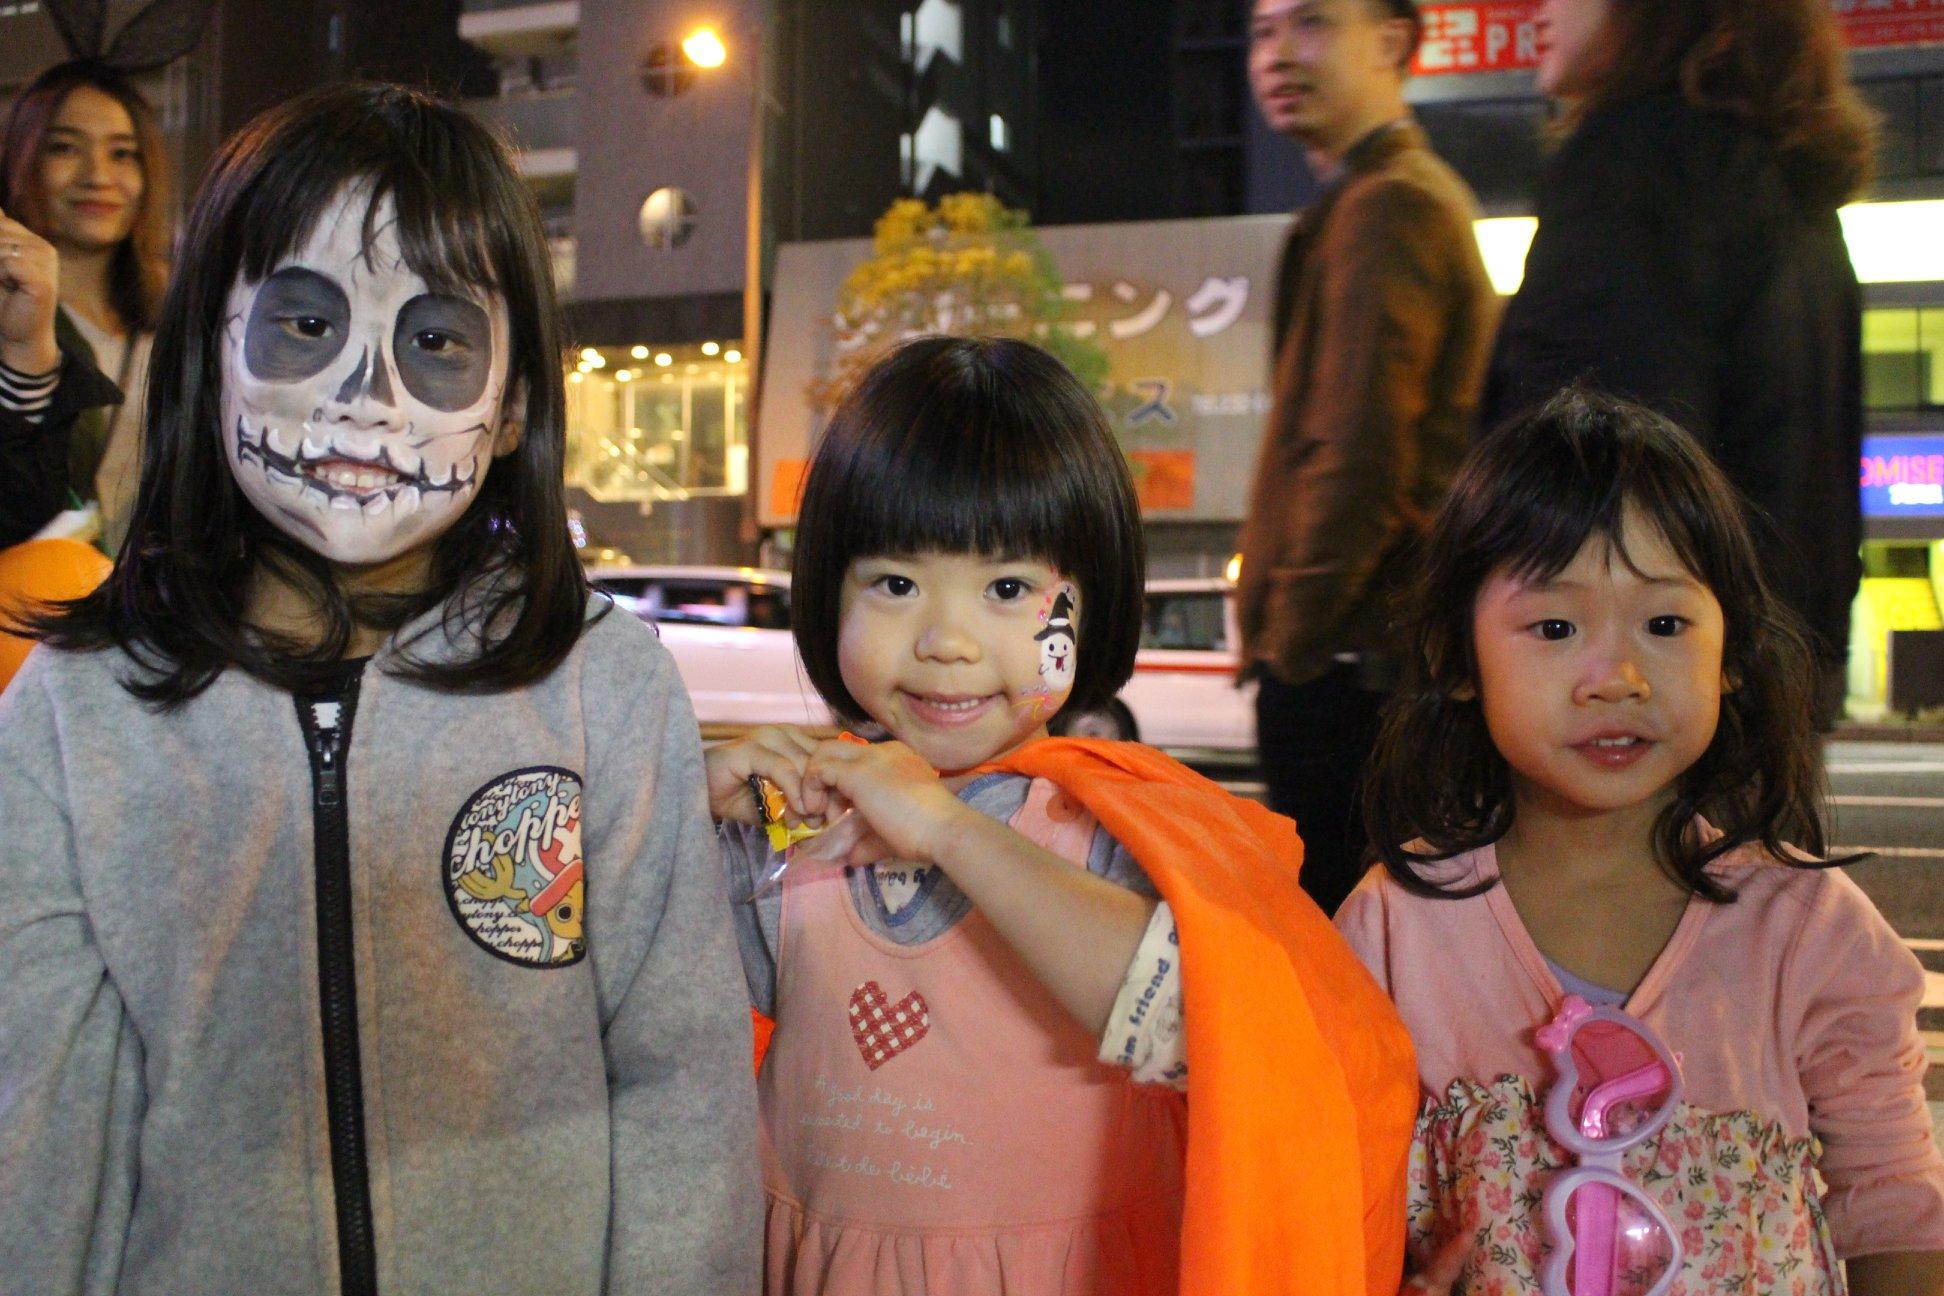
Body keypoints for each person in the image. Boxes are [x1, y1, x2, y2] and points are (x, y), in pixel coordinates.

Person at [0, 84, 759, 1294]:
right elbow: (41, 1113)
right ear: (209, 353)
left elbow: (681, 1081)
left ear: (512, 407)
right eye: (305, 325)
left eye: (436, 342)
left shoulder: (600, 686)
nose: (364, 396)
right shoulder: (78, 707)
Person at [706, 336, 1418, 1296]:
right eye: (895, 584)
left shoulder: (1118, 826)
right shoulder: (790, 825)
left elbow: (1199, 1030)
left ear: (1096, 603)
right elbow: (602, 998)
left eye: (1008, 590)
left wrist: (948, 830)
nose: (948, 640)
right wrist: (676, 810)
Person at [1340, 388, 1944, 1294]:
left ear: (1730, 652)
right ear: (1458, 659)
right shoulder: (1395, 927)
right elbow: (1334, 1195)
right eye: (1554, 627)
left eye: (1665, 625)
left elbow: (1895, 1203)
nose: (1617, 678)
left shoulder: (1811, 929)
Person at [1483, 0, 1875, 727]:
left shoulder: (1635, 165)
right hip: (1760, 684)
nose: (1543, 6)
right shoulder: (1793, 189)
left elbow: (1581, 460)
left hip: (1628, 701)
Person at [1238, 0, 1499, 916]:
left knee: (1347, 947)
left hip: (1358, 670)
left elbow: (1358, 455)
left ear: (1393, 42)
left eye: (1312, 23)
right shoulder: (1370, 200)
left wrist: (1295, 643)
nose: (1278, 54)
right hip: (1366, 660)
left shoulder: (1391, 203)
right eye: (1263, 31)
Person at [0, 61, 171, 553]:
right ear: (21, 160)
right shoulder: (13, 321)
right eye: (64, 148)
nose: (98, 176)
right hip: (44, 590)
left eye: (122, 154)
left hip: (160, 594)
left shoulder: (182, 315)